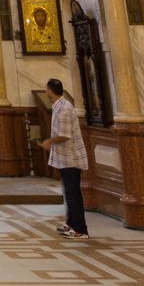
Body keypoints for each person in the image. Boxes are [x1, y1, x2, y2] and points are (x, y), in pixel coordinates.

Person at [41, 78, 90, 240]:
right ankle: (71, 223)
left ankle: (80, 229)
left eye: (46, 89)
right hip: (65, 158)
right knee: (69, 192)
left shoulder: (64, 109)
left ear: (50, 91)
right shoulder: (59, 106)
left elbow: (64, 135)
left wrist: (50, 142)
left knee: (73, 193)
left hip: (71, 158)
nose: (46, 92)